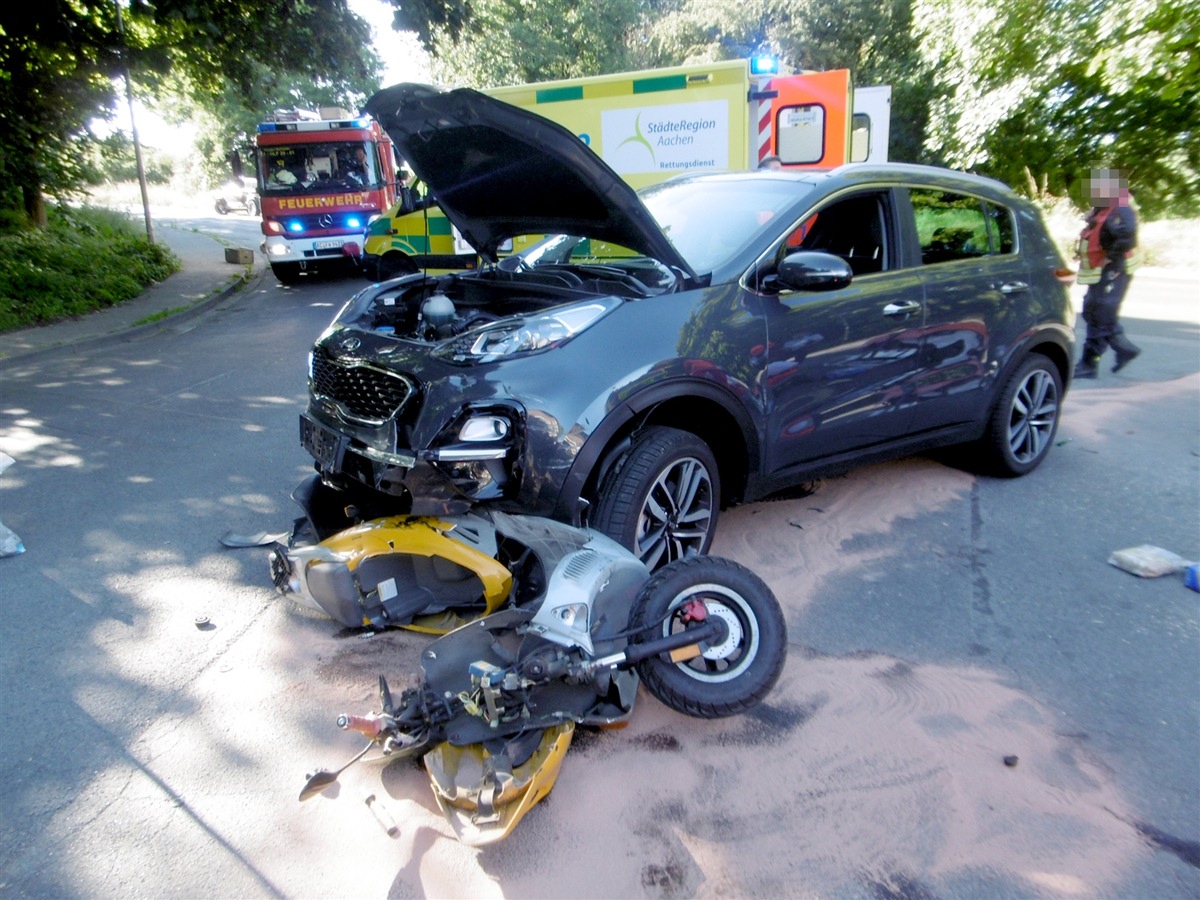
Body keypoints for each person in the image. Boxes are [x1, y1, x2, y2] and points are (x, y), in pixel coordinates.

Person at [1075, 167, 1140, 378]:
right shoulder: (1106, 206)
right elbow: (1103, 230)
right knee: (1093, 311)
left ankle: (1089, 363)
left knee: (1099, 314)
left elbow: (1127, 235)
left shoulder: (1121, 208)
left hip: (1113, 269)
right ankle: (1123, 348)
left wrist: (1111, 258)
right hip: (1103, 270)